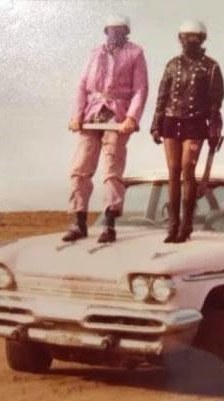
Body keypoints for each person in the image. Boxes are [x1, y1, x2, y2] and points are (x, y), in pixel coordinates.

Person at [63, 15, 148, 243]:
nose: (115, 34)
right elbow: (82, 85)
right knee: (80, 167)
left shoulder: (135, 53)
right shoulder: (95, 53)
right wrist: (76, 115)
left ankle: (109, 224)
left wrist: (132, 117)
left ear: (126, 31)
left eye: (119, 30)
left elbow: (140, 89)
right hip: (91, 114)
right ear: (105, 31)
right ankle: (78, 222)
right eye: (111, 30)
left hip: (117, 116)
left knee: (112, 169)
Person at [150, 20, 224, 243]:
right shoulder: (172, 64)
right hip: (171, 120)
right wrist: (156, 123)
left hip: (195, 123)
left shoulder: (211, 67)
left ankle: (186, 225)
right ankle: (172, 226)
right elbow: (162, 95)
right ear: (179, 38)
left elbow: (216, 102)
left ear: (201, 39)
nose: (188, 41)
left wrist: (214, 127)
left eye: (193, 37)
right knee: (173, 170)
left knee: (187, 169)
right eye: (185, 36)